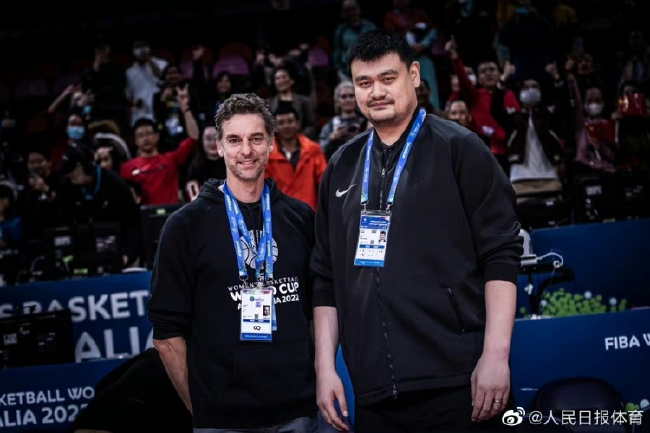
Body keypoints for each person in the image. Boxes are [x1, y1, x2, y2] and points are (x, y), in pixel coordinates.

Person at [310, 29, 523, 433]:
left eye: (387, 78)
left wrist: (496, 356)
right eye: (364, 83)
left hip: (460, 381)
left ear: (414, 75)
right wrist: (325, 368)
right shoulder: (341, 165)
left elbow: (501, 255)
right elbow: (325, 276)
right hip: (374, 393)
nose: (376, 92)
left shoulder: (459, 148)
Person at [148, 93, 318, 432]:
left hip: (298, 411)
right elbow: (166, 335)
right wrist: (202, 409)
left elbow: (319, 311)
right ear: (219, 147)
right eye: (235, 140)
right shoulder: (184, 227)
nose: (246, 150)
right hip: (223, 419)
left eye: (256, 138)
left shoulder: (300, 218)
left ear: (271, 143)